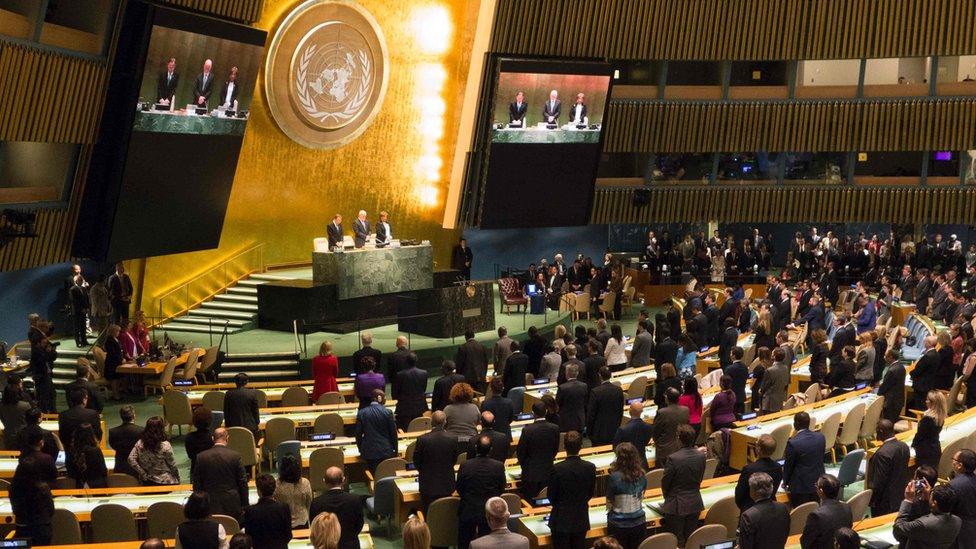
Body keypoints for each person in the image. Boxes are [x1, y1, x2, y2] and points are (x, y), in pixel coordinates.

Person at [547, 431, 596, 549]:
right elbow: (590, 492)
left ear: (564, 447)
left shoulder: (557, 468)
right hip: (581, 517)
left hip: (561, 519)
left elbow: (551, 495)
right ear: (581, 446)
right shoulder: (590, 467)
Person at [456, 434, 506, 549]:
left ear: (475, 448)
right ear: (491, 449)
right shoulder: (498, 466)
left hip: (468, 510)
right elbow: (501, 488)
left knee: (464, 542)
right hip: (489, 513)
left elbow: (459, 488)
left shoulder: (465, 465)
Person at [661, 424, 705, 544]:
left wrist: (668, 498)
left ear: (679, 438)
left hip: (676, 504)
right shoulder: (701, 456)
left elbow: (665, 483)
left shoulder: (673, 458)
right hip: (695, 502)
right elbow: (700, 478)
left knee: (677, 541)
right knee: (691, 540)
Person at [11, 431, 57, 545]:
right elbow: (50, 510)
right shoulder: (43, 488)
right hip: (41, 528)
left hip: (22, 527)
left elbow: (15, 508)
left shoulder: (14, 488)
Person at [193, 427, 248, 521]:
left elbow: (197, 484)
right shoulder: (235, 456)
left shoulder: (201, 457)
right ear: (227, 438)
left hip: (209, 504)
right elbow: (242, 482)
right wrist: (245, 505)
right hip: (232, 504)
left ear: (212, 439)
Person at [309, 467, 365, 549]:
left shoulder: (316, 502)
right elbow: (359, 524)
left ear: (324, 481)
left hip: (326, 545)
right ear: (343, 480)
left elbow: (314, 526)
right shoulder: (355, 500)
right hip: (350, 544)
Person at [414, 410, 459, 512]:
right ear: (445, 422)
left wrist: (425, 471)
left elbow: (417, 461)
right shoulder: (453, 438)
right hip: (447, 484)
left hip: (427, 484)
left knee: (428, 514)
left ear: (431, 422)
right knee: (445, 514)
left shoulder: (422, 439)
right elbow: (454, 459)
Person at [893, 482, 962, 548]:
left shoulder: (924, 524)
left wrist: (908, 500)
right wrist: (925, 500)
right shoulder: (958, 521)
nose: (929, 497)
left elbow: (899, 526)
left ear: (934, 503)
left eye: (930, 496)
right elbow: (931, 518)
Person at [605, 442, 648, 549]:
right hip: (639, 523)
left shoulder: (614, 478)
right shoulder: (642, 475)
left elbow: (609, 501)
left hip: (618, 525)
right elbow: (642, 495)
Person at [516, 401, 560, 499]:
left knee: (530, 502)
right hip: (548, 471)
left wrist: (526, 467)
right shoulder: (555, 428)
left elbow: (521, 453)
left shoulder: (527, 430)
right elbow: (555, 449)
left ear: (533, 413)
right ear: (546, 412)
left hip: (530, 474)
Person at [737, 472, 790, 549]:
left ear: (753, 492)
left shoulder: (748, 516)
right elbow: (785, 533)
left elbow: (746, 546)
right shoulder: (783, 508)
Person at [783, 412, 826, 506]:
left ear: (796, 424)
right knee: (815, 509)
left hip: (800, 487)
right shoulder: (821, 437)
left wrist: (785, 482)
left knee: (800, 513)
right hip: (818, 482)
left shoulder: (793, 443)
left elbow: (788, 466)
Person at [869, 419, 910, 516]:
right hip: (900, 496)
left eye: (877, 430)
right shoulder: (904, 446)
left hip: (885, 502)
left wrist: (872, 501)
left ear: (881, 432)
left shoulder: (882, 454)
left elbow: (879, 482)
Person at [801, 474, 853, 549]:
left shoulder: (816, 515)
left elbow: (806, 542)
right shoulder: (847, 507)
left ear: (821, 491)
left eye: (816, 486)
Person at [243, 473, 292, 549]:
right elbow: (288, 535)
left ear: (258, 491)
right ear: (274, 489)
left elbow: (249, 537)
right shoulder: (284, 508)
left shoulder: (250, 511)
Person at [735, 433, 782, 511]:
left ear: (758, 449)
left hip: (751, 510)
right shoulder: (778, 467)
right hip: (771, 508)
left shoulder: (749, 469)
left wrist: (745, 509)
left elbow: (739, 495)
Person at [128, 416, 179, 486]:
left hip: (147, 481)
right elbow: (172, 465)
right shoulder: (165, 445)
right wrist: (177, 478)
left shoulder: (139, 443)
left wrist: (142, 473)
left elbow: (131, 459)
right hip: (165, 481)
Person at [355, 389, 397, 472]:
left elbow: (358, 434)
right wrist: (395, 450)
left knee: (374, 476)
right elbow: (393, 434)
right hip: (386, 451)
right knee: (385, 474)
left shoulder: (362, 413)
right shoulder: (388, 412)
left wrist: (361, 449)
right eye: (385, 397)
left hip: (369, 452)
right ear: (379, 398)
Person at [59, 385, 102, 463]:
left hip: (71, 452)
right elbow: (98, 433)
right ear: (84, 399)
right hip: (91, 451)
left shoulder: (63, 415)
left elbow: (62, 435)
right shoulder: (93, 413)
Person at [587, 367, 625, 446]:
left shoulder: (595, 392)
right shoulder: (618, 390)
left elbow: (591, 414)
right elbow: (621, 411)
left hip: (598, 431)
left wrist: (589, 432)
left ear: (599, 376)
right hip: (615, 429)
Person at [653, 387, 689, 467]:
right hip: (681, 447)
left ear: (666, 398)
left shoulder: (662, 413)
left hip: (664, 450)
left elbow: (655, 433)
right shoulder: (685, 410)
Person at [613, 401, 653, 470]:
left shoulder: (622, 430)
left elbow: (616, 448)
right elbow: (646, 442)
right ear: (642, 411)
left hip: (626, 466)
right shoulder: (649, 427)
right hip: (642, 463)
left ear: (630, 411)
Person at [274, 455, 312, 528]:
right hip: (302, 520)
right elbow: (309, 502)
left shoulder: (277, 484)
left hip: (283, 520)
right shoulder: (305, 483)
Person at [913, 390, 947, 469]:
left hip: (925, 452)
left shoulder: (928, 419)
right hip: (935, 449)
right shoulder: (940, 416)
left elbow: (920, 435)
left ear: (933, 403)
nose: (926, 401)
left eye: (928, 399)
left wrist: (913, 445)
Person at [949, 448, 976, 547]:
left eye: (953, 459)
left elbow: (946, 508)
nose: (952, 462)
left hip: (961, 529)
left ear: (960, 465)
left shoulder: (953, 485)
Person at [394, 352, 428, 430]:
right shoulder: (424, 373)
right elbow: (423, 389)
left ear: (406, 361)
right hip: (419, 405)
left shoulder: (400, 375)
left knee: (405, 429)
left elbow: (396, 392)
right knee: (419, 428)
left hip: (404, 407)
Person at [68, 423, 107, 488]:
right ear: (92, 434)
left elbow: (70, 469)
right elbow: (103, 469)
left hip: (77, 484)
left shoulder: (71, 451)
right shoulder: (96, 450)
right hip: (96, 484)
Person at [109, 405, 143, 477]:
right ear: (134, 416)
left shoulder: (113, 431)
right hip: (137, 467)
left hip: (120, 465)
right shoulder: (141, 430)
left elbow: (113, 446)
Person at [0, 374, 32, 448]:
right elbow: (31, 419)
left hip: (8, 435)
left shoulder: (1, 406)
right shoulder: (25, 405)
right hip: (23, 435)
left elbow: (2, 419)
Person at [556, 362, 588, 433]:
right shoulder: (584, 386)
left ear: (566, 373)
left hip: (565, 421)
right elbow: (585, 402)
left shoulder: (562, 388)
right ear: (577, 373)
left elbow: (557, 404)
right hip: (579, 420)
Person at [877, 349, 906, 422]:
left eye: (886, 356)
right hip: (899, 400)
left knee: (888, 423)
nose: (884, 358)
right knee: (893, 421)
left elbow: (885, 386)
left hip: (891, 402)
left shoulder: (892, 370)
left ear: (891, 357)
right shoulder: (901, 366)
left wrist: (878, 395)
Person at [184, 406, 214, 475]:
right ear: (210, 421)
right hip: (211, 470)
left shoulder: (189, 437)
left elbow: (190, 456)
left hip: (196, 469)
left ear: (194, 421)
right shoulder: (213, 437)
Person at [759, 347, 789, 413]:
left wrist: (760, 391)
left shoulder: (770, 371)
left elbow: (764, 388)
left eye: (772, 353)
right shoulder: (785, 368)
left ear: (774, 357)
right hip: (779, 399)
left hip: (769, 403)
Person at [726, 346, 749, 414]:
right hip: (742, 396)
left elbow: (726, 384)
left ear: (734, 356)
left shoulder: (729, 369)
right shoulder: (745, 367)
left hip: (731, 398)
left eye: (731, 354)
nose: (730, 355)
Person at [68, 274, 90, 346]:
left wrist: (87, 308)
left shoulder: (84, 289)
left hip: (84, 311)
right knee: (77, 328)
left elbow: (86, 299)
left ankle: (84, 341)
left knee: (83, 327)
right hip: (77, 312)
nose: (81, 281)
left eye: (81, 280)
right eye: (80, 280)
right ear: (76, 281)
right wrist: (81, 309)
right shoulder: (72, 289)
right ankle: (78, 342)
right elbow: (74, 301)